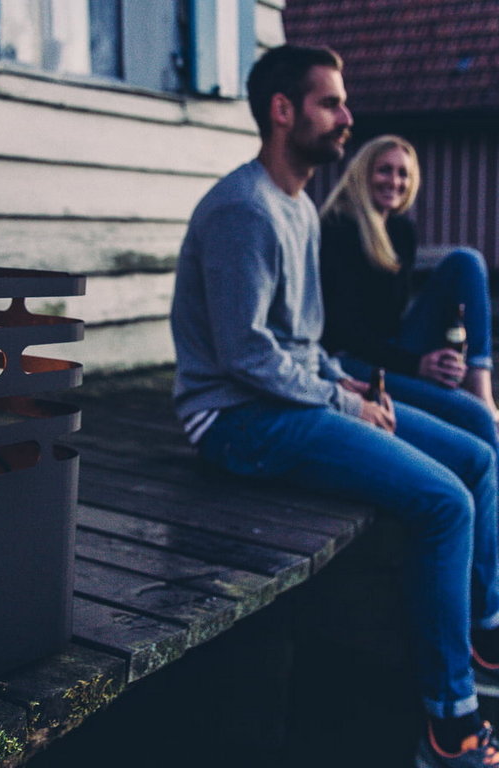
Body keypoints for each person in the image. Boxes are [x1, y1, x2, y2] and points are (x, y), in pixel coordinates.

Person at [170, 44, 499, 767]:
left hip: (286, 399)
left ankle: (478, 627)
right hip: (235, 421)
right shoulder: (241, 210)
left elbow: (304, 341)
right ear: (283, 112)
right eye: (332, 103)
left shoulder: (297, 209)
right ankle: (452, 722)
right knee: (446, 504)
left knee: (475, 456)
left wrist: (347, 387)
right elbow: (245, 357)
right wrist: (341, 405)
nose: (348, 117)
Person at [319, 135, 499, 468]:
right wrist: (417, 365)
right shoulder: (338, 228)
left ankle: (479, 384)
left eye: (403, 173)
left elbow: (393, 320)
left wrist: (443, 356)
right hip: (349, 362)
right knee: (476, 420)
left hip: (391, 348)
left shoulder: (400, 231)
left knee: (465, 261)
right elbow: (343, 332)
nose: (395, 181)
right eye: (384, 170)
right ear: (362, 173)